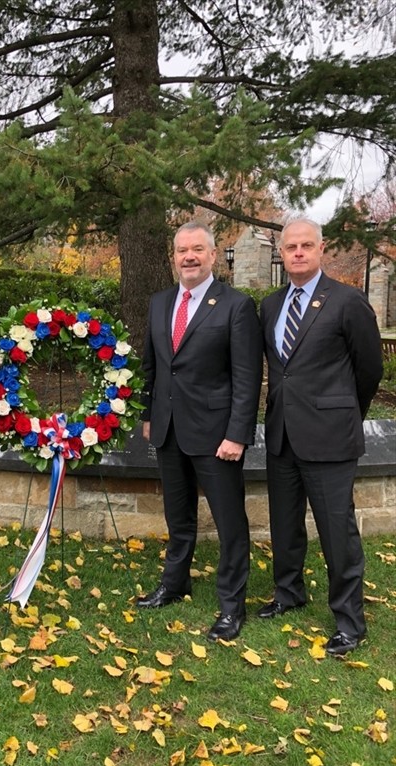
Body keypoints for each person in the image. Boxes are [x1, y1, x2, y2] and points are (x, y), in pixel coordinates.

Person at [258, 217, 383, 655]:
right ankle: (288, 594)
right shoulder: (270, 305)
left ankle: (350, 621)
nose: (297, 253)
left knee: (336, 530)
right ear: (281, 250)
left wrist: (344, 413)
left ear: (321, 249)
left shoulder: (348, 301)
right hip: (282, 435)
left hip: (330, 436)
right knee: (285, 524)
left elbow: (369, 370)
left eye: (305, 245)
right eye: (290, 246)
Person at [138, 220, 263, 642]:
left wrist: (238, 434)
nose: (188, 256)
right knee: (179, 517)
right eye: (181, 250)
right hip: (169, 431)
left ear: (213, 255)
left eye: (197, 249)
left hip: (217, 436)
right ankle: (175, 583)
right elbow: (153, 365)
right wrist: (148, 413)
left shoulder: (236, 305)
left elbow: (247, 377)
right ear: (173, 257)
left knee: (230, 523)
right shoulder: (158, 303)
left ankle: (232, 606)